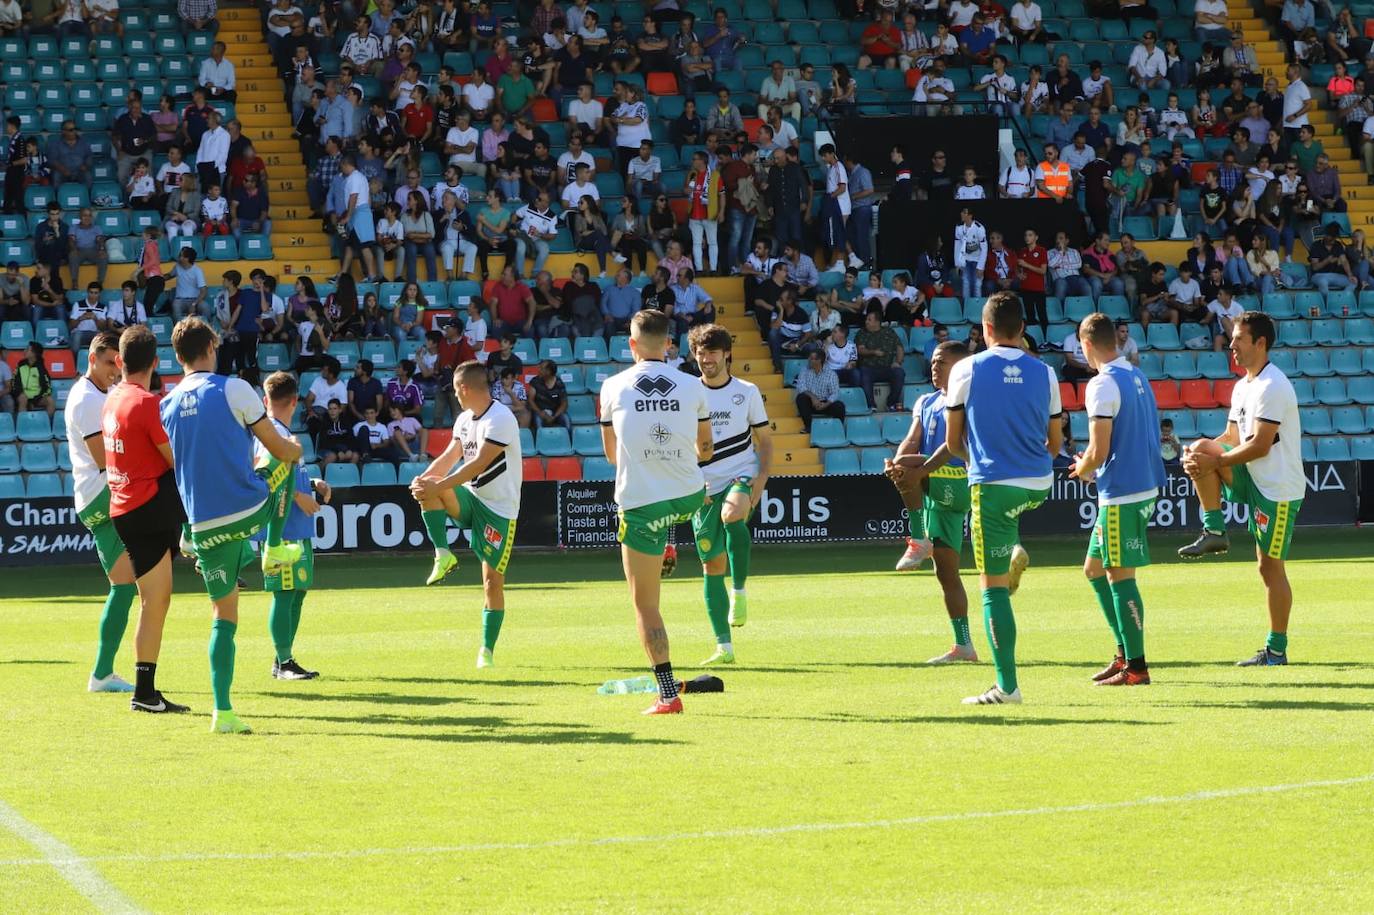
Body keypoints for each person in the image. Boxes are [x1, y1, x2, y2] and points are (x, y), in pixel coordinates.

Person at [160, 318, 304, 734]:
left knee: (223, 617)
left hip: (204, 523)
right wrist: (294, 449)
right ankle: (275, 546)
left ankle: (222, 712)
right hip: (248, 508)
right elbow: (276, 444)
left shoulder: (166, 404)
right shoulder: (234, 387)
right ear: (210, 347)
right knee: (282, 457)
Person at [944, 292, 1062, 705]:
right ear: (1024, 330)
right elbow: (1055, 441)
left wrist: (979, 460)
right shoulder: (1046, 372)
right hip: (1039, 483)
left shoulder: (966, 369)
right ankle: (1011, 550)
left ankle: (1006, 687)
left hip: (993, 484)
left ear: (986, 329)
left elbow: (952, 442)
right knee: (1007, 531)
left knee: (991, 590)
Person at [599, 310, 713, 715]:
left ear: (631, 345)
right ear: (669, 344)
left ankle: (668, 693)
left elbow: (612, 456)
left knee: (645, 605)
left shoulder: (612, 386)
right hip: (689, 496)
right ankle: (669, 539)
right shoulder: (693, 386)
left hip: (643, 504)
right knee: (674, 505)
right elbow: (706, 450)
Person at [1178, 311, 1304, 667]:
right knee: (1201, 447)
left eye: (1239, 338)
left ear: (1260, 343)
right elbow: (1232, 439)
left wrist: (1214, 464)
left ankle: (1276, 650)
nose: (1231, 344)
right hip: (1253, 477)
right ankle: (1214, 529)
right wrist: (1196, 456)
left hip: (1278, 489)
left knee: (1270, 568)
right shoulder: (1243, 385)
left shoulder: (1273, 385)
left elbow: (1261, 445)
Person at [1069, 313, 1166, 687]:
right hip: (1144, 484)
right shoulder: (1137, 376)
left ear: (1087, 344)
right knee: (1094, 569)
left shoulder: (1101, 384)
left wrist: (1084, 468)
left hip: (1122, 492)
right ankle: (1124, 653)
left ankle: (1137, 667)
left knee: (1119, 575)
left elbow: (1098, 449)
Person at [411, 361, 523, 668]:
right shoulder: (463, 419)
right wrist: (423, 481)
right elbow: (449, 458)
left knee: (492, 583)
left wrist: (437, 487)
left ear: (464, 388)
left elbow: (477, 466)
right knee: (430, 485)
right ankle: (442, 553)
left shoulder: (501, 418)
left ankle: (486, 651)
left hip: (499, 510)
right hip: (471, 498)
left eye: (456, 391)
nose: (455, 397)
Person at [103, 325, 187, 715]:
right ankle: (145, 693)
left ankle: (146, 691)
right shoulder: (146, 403)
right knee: (155, 601)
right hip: (147, 507)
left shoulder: (113, 397)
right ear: (156, 362)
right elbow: (174, 459)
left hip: (124, 506)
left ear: (120, 361)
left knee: (153, 600)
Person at [887, 340, 977, 664]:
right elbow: (912, 438)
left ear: (960, 367)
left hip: (958, 479)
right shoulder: (926, 401)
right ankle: (964, 646)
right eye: (934, 362)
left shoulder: (968, 401)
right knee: (947, 572)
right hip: (935, 486)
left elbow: (954, 447)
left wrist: (915, 469)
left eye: (942, 362)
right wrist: (898, 463)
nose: (935, 367)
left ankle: (918, 538)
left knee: (909, 467)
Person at [688, 324, 772, 663]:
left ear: (727, 354)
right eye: (700, 353)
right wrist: (691, 485)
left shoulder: (747, 391)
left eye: (711, 352)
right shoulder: (687, 392)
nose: (705, 359)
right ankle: (724, 647)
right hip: (703, 485)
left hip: (741, 474)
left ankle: (739, 591)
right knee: (711, 564)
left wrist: (762, 477)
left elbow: (764, 440)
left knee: (732, 514)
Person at [63, 332, 139, 694]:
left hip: (97, 495)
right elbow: (102, 459)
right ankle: (189, 537)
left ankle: (102, 673)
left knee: (123, 587)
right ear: (92, 359)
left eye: (119, 364)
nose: (115, 371)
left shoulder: (98, 394)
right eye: (109, 363)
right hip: (102, 494)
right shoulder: (87, 401)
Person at [255, 372, 329, 681]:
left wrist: (310, 483)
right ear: (295, 401)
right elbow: (260, 474)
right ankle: (283, 662)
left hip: (297, 527)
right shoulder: (271, 432)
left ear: (265, 400)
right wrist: (299, 494)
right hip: (280, 528)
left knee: (296, 592)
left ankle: (283, 658)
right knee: (285, 594)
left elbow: (283, 472)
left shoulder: (280, 430)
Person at [854, 310, 905, 412]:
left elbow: (899, 347)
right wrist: (873, 352)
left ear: (877, 322)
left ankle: (891, 403)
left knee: (899, 372)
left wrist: (898, 362)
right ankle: (872, 406)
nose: (866, 322)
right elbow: (860, 350)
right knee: (864, 373)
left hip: (887, 367)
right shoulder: (862, 333)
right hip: (868, 368)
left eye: (869, 320)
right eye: (866, 319)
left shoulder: (889, 332)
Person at [794, 349, 844, 432]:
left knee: (840, 406)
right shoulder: (804, 370)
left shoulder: (831, 374)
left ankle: (838, 430)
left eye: (811, 358)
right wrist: (813, 397)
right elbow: (800, 387)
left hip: (825, 403)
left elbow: (835, 393)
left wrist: (826, 404)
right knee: (801, 398)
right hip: (810, 402)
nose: (809, 360)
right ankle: (808, 427)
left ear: (819, 360)